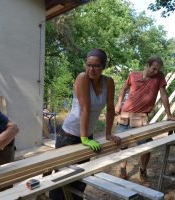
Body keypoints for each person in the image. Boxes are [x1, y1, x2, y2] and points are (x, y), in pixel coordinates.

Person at [49, 48, 121, 200]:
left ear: (103, 67)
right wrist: (84, 138)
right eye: (88, 65)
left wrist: (108, 133)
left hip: (86, 135)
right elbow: (85, 109)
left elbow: (110, 108)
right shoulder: (82, 78)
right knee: (61, 179)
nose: (91, 69)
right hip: (69, 135)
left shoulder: (108, 82)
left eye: (96, 66)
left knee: (80, 177)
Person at [115, 55, 175, 183]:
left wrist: (169, 114)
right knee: (122, 145)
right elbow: (123, 89)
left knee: (146, 147)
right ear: (147, 65)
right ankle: (123, 170)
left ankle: (142, 171)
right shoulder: (133, 75)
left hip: (141, 117)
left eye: (158, 69)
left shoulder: (159, 77)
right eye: (153, 68)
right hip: (125, 115)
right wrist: (118, 103)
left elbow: (164, 95)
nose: (155, 72)